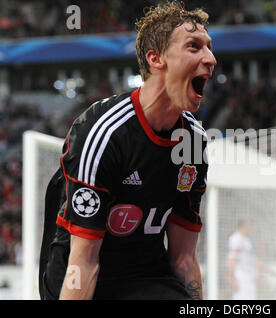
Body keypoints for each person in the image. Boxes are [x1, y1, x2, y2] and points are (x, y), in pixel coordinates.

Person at [39, 1, 216, 300]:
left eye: (209, 48)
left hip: (145, 272)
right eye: (194, 47)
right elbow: (84, 260)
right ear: (156, 58)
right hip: (82, 268)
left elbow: (184, 258)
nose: (211, 59)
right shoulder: (103, 132)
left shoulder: (194, 142)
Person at [226, 219, 273, 300]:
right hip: (241, 278)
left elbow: (253, 259)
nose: (251, 229)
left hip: (249, 278)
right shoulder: (236, 239)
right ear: (243, 226)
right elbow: (231, 259)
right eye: (250, 226)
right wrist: (232, 278)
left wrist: (266, 270)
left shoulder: (246, 240)